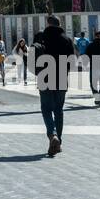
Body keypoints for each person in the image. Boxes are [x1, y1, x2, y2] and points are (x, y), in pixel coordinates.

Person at [35, 16, 75, 157]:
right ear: (59, 24)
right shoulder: (67, 39)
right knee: (58, 109)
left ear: (48, 24)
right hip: (61, 79)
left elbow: (34, 54)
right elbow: (72, 61)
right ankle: (58, 142)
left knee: (46, 108)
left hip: (44, 77)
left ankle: (52, 135)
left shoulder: (42, 37)